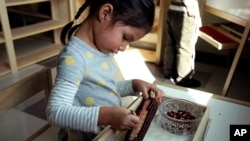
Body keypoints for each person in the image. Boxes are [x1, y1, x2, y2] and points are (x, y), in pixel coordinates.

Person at [46, 0, 163, 140]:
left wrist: (133, 85)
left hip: (108, 134)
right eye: (125, 37)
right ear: (105, 13)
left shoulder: (102, 50)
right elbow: (55, 113)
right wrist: (108, 116)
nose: (123, 47)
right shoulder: (74, 58)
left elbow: (102, 89)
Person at [163, 0, 202, 87]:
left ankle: (168, 71)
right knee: (185, 47)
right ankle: (183, 78)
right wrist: (192, 10)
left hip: (172, 10)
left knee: (170, 44)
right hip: (185, 12)